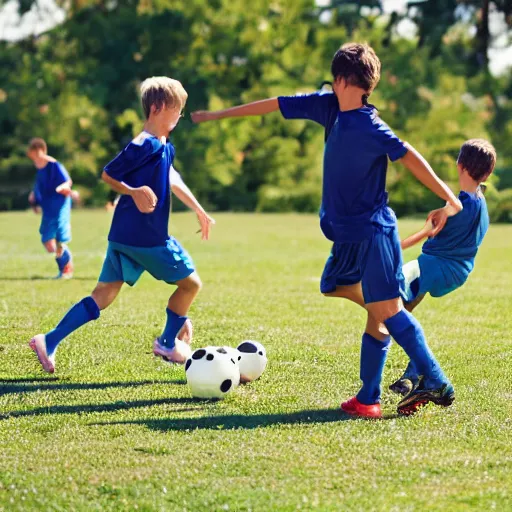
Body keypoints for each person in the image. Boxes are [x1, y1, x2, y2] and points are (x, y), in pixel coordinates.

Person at [192, 42, 462, 417]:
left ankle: (422, 380)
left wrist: (451, 199)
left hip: (373, 231)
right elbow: (276, 102)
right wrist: (218, 115)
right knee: (339, 288)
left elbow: (412, 158)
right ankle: (385, 351)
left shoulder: (372, 126)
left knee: (383, 311)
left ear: (342, 80)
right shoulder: (328, 107)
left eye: (334, 81)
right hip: (349, 235)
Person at [29, 76, 214, 373]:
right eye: (176, 109)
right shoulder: (144, 144)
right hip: (146, 237)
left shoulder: (164, 146)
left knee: (102, 295)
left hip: (124, 236)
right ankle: (168, 342)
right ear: (157, 108)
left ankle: (48, 341)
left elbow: (172, 177)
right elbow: (108, 174)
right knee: (190, 285)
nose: (180, 116)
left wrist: (198, 209)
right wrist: (133, 191)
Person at [388, 138, 496, 395]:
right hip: (456, 273)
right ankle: (413, 375)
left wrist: (391, 248)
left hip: (433, 266)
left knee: (388, 303)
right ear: (487, 172)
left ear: (459, 165)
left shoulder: (455, 206)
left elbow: (425, 233)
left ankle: (425, 373)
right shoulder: (480, 202)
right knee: (404, 309)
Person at [27, 138, 79, 279]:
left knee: (58, 238)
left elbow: (67, 181)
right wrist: (34, 199)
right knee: (47, 241)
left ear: (41, 150)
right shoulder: (39, 168)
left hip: (59, 205)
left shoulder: (54, 165)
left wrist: (64, 187)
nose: (34, 157)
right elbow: (40, 188)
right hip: (48, 207)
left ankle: (65, 270)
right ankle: (65, 258)